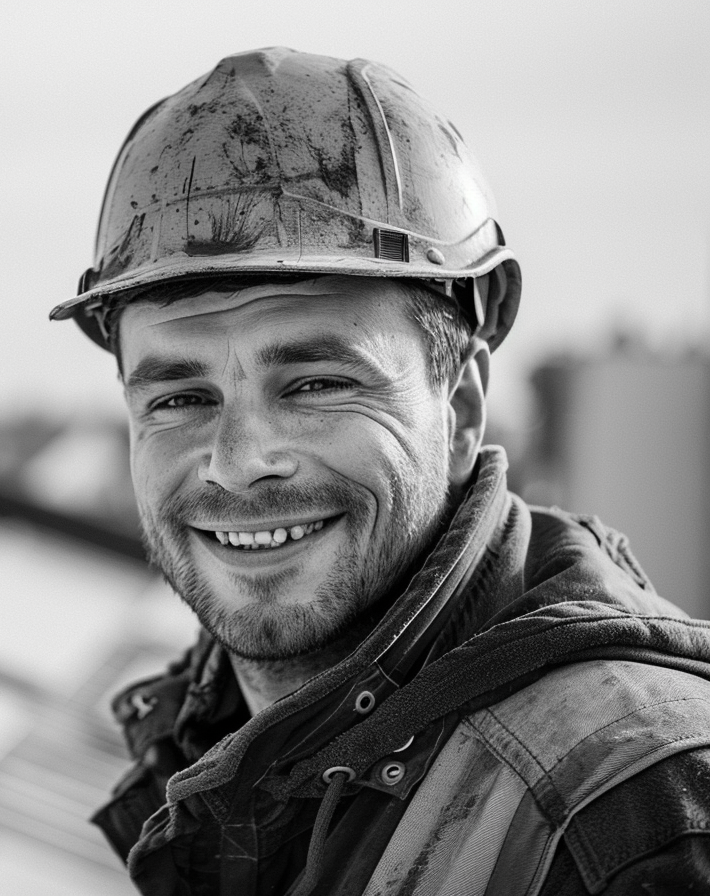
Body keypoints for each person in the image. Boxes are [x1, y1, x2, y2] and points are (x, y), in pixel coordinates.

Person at [50, 47, 710, 895]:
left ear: (463, 407)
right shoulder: (226, 765)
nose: (240, 462)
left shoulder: (643, 822)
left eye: (318, 384)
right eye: (179, 398)